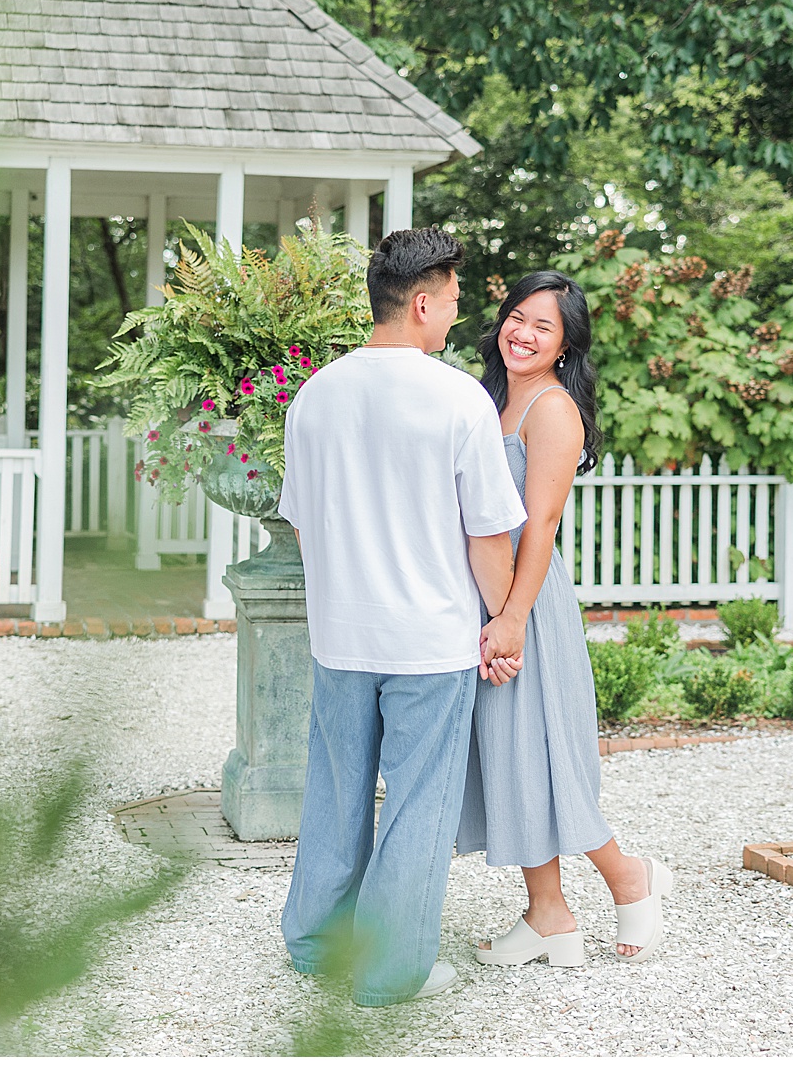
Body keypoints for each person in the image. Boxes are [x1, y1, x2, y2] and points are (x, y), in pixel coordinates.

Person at [277, 227, 527, 1007]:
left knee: (337, 792)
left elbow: (299, 520)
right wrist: (505, 621)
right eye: (453, 301)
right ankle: (389, 973)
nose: (457, 316)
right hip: (430, 639)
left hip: (341, 634)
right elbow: (487, 535)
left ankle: (318, 946)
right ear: (420, 303)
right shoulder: (458, 398)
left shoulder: (315, 394)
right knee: (419, 803)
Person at [458, 270, 674, 967]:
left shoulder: (551, 409)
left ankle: (626, 875)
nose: (522, 332)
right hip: (488, 593)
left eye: (542, 325)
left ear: (565, 344)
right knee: (514, 755)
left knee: (545, 756)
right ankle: (548, 914)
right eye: (516, 317)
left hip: (527, 598)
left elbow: (542, 522)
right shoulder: (489, 395)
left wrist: (513, 616)